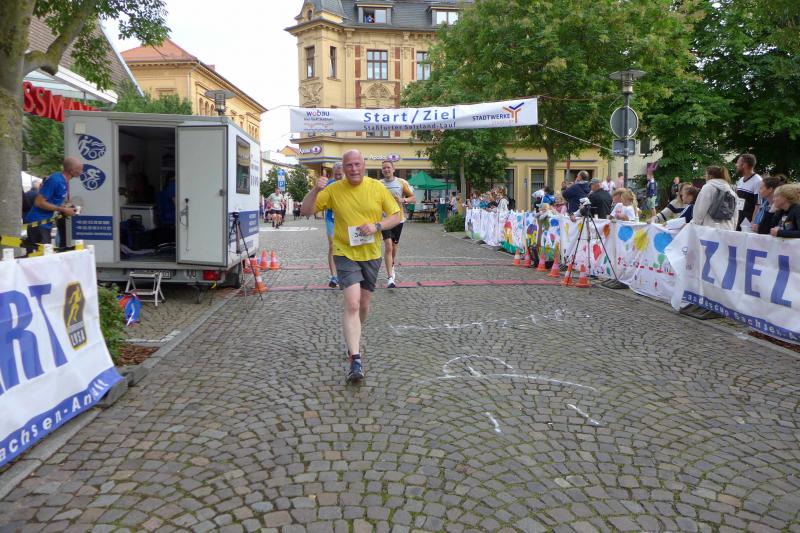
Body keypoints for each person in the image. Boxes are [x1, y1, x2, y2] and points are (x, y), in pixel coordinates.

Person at [300, 150, 401, 383]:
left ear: (364, 166)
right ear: (343, 169)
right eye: (349, 165)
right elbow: (306, 210)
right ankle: (355, 358)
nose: (354, 169)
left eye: (357, 164)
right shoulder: (333, 190)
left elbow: (396, 215)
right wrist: (315, 190)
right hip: (344, 252)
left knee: (363, 305)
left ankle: (353, 333)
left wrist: (377, 226)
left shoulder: (376, 187)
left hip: (371, 253)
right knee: (353, 303)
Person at [24, 157, 81, 251]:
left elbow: (51, 201)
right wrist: (63, 209)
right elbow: (39, 202)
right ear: (72, 170)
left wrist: (67, 208)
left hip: (45, 223)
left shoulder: (64, 181)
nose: (82, 172)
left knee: (45, 254)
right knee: (41, 255)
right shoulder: (55, 180)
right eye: (80, 169)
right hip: (38, 223)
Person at [379, 160, 415, 289]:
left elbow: (413, 198)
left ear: (393, 169)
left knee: (394, 247)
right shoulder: (378, 184)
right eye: (384, 168)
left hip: (398, 219)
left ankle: (392, 263)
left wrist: (403, 199)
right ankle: (390, 278)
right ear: (382, 170)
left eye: (388, 167)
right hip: (384, 219)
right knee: (388, 246)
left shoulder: (401, 182)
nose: (386, 170)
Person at [691, 166, 738, 230]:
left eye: (705, 175)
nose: (705, 177)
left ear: (710, 176)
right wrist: (733, 229)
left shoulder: (708, 188)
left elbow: (700, 211)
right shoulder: (732, 192)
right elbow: (735, 215)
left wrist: (693, 226)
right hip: (728, 229)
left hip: (710, 230)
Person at [325, 163, 344, 287]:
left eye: (340, 175)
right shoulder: (329, 184)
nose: (338, 177)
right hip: (331, 218)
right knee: (332, 245)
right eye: (336, 174)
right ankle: (334, 276)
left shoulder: (349, 184)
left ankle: (345, 273)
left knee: (346, 245)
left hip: (345, 219)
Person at [734, 153, 762, 230]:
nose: (736, 165)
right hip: (737, 219)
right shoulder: (740, 180)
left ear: (745, 165)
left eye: (738, 162)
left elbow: (758, 204)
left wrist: (753, 221)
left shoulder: (758, 181)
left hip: (747, 223)